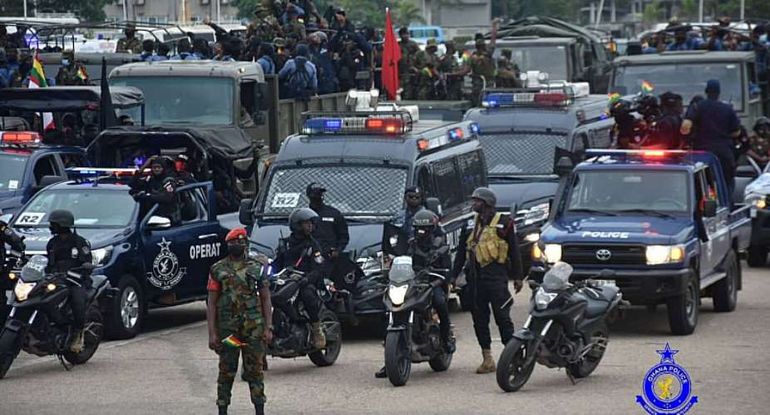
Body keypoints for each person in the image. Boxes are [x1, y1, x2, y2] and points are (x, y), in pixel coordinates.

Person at [451, 187, 523, 374]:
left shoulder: (505, 223)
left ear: (487, 203)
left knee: (503, 318)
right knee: (479, 319)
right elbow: (461, 253)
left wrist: (517, 276)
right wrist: (453, 276)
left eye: (477, 201)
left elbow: (515, 251)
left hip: (496, 278)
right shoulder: (469, 225)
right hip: (475, 279)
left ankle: (512, 357)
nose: (473, 204)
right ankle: (487, 358)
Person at [207, 228, 272, 415]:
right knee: (227, 370)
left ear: (245, 245)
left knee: (255, 371)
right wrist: (212, 333)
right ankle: (222, 409)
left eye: (240, 242)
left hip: (253, 329)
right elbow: (211, 303)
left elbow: (266, 298)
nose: (236, 245)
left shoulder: (257, 268)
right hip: (229, 331)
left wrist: (268, 327)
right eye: (233, 243)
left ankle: (259, 409)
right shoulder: (217, 269)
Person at [272, 208, 328, 349]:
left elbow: (318, 268)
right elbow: (276, 263)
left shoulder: (313, 245)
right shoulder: (285, 244)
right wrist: (265, 272)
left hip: (305, 281)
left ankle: (316, 329)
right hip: (286, 280)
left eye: (311, 223)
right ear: (297, 225)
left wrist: (307, 279)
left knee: (307, 293)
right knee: (268, 294)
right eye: (306, 223)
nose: (310, 226)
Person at [681, 79, 741, 196]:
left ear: (706, 91)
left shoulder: (697, 107)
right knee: (726, 182)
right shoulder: (727, 109)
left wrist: (690, 135)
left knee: (700, 183)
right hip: (724, 153)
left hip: (702, 152)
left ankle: (703, 209)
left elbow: (685, 127)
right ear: (719, 92)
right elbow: (736, 132)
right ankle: (726, 207)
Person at [45, 209, 93, 353]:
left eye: (53, 224)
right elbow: (49, 263)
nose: (51, 227)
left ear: (62, 224)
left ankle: (78, 333)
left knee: (78, 303)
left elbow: (87, 262)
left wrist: (82, 270)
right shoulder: (52, 243)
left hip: (75, 280)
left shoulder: (79, 242)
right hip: (56, 279)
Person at [306, 183, 349, 262]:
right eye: (315, 194)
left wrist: (338, 250)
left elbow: (344, 236)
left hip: (330, 257)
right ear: (309, 195)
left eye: (319, 193)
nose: (317, 196)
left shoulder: (334, 213)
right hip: (308, 257)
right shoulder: (304, 215)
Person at [129, 156, 179, 223]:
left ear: (163, 168)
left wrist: (147, 196)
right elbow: (132, 184)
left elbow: (167, 197)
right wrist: (143, 167)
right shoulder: (150, 179)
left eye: (159, 167)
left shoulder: (168, 180)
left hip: (166, 218)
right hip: (148, 218)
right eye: (154, 167)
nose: (156, 169)